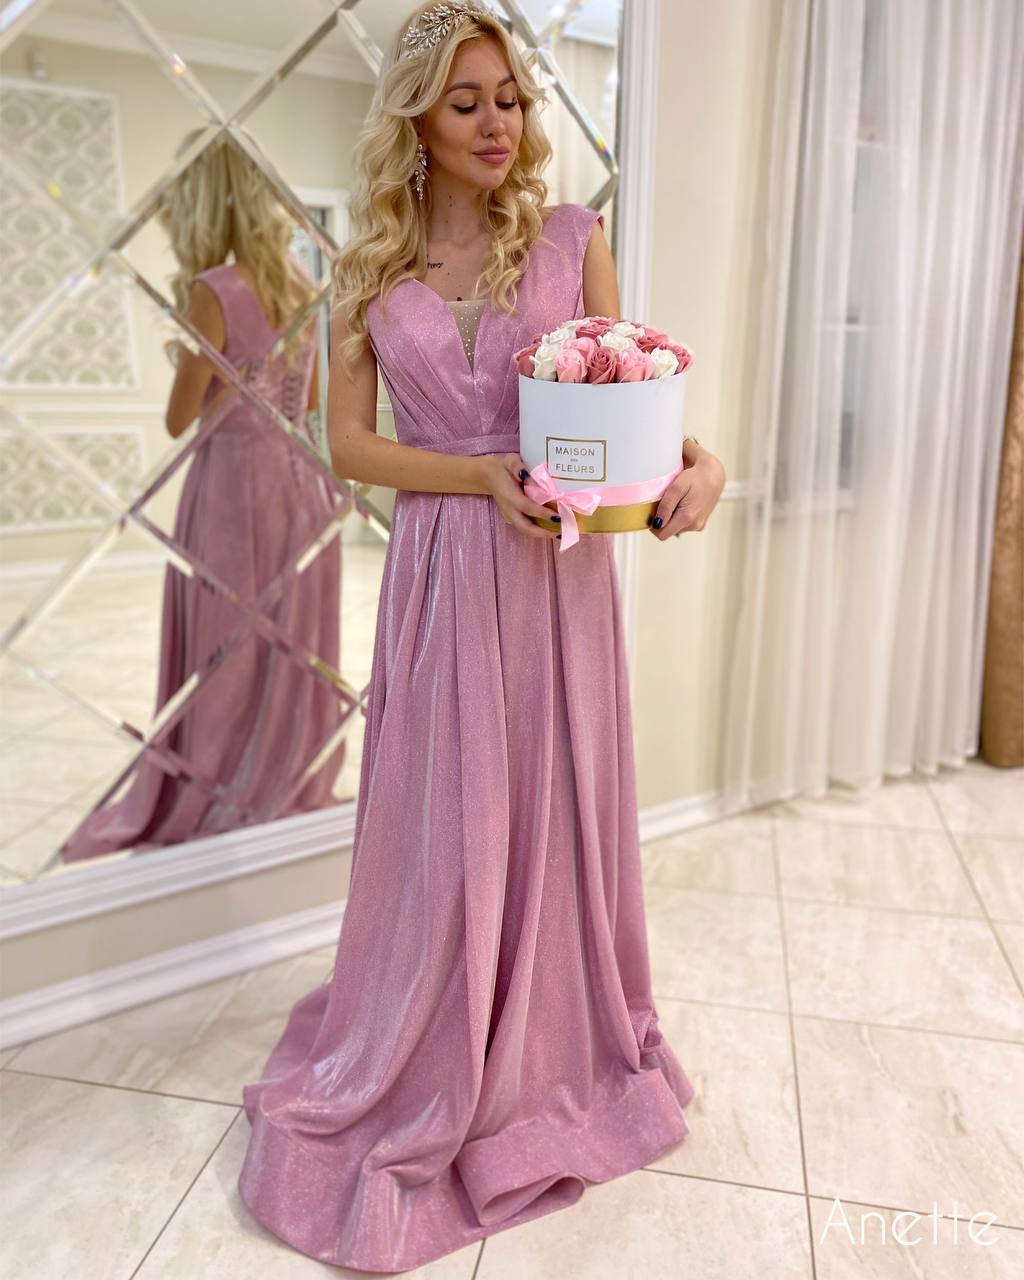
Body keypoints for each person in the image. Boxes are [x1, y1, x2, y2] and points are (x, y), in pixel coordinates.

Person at [237, 2, 726, 1271]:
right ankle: (435, 1023)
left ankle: (550, 1035)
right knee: (444, 811)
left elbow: (629, 402)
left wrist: (701, 464)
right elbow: (349, 446)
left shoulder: (571, 240)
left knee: (549, 799)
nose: (497, 121)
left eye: (508, 97)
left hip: (557, 581)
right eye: (466, 102)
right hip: (444, 572)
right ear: (416, 119)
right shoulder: (368, 270)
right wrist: (476, 475)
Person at [58, 129, 346, 863]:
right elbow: (310, 400)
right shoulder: (299, 280)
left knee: (226, 643)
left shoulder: (214, 290)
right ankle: (283, 770)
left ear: (200, 200)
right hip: (299, 485)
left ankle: (219, 775)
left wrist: (188, 353)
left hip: (234, 489)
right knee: (287, 638)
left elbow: (179, 417)